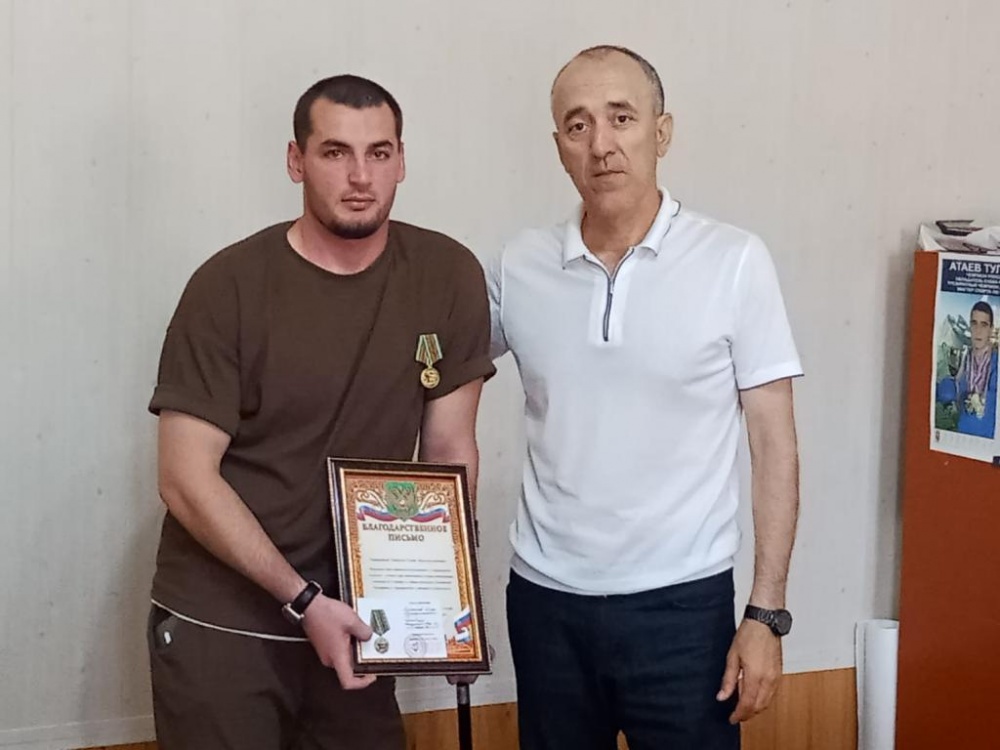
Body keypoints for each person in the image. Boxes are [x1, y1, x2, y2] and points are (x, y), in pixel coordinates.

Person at [146, 74, 494, 750]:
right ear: (295, 160)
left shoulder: (447, 274)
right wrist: (302, 601)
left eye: (379, 153)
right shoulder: (228, 286)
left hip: (359, 619)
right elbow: (184, 479)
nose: (361, 176)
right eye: (336, 152)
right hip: (226, 621)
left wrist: (449, 599)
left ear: (401, 160)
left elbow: (451, 448)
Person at [487, 46, 802, 749]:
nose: (601, 143)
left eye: (622, 118)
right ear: (559, 146)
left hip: (683, 607)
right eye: (578, 125)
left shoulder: (733, 261)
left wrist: (766, 614)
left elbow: (773, 443)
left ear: (662, 132)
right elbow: (428, 368)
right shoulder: (517, 266)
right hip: (545, 604)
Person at [956, 300, 998, 437]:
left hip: (989, 440)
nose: (978, 331)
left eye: (984, 325)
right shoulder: (964, 361)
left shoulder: (996, 363)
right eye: (974, 323)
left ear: (991, 329)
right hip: (962, 436)